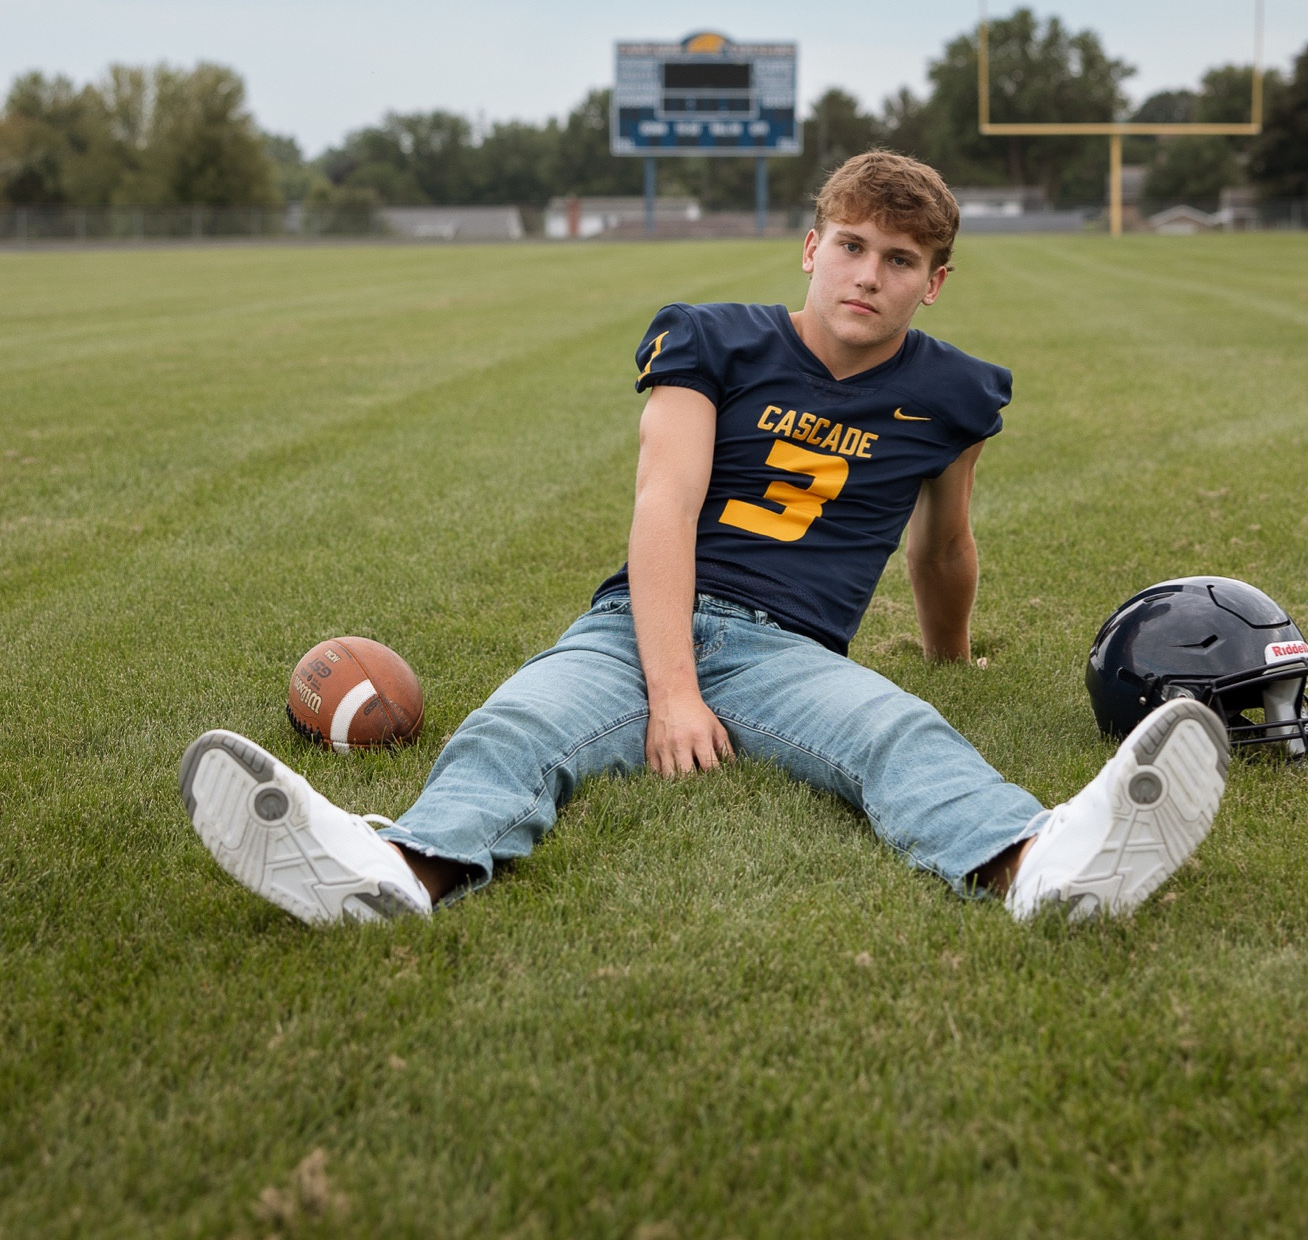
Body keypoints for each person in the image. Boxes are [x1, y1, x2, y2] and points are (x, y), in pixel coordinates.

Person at [179, 151, 1228, 928]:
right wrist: (673, 692)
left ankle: (1044, 862)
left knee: (899, 737)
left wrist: (951, 655)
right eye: (851, 246)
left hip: (790, 652)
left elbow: (942, 544)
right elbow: (662, 505)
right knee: (514, 727)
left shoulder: (954, 391)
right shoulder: (713, 336)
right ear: (812, 247)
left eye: (898, 258)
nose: (867, 273)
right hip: (638, 624)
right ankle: (392, 872)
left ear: (933, 280)